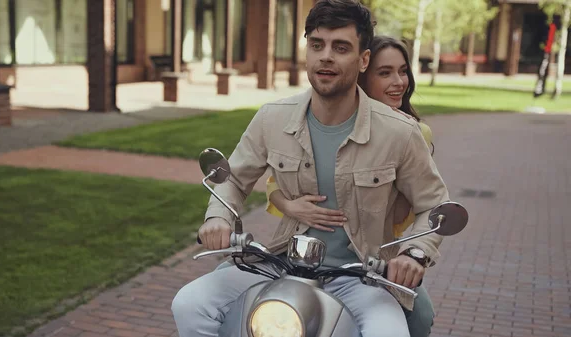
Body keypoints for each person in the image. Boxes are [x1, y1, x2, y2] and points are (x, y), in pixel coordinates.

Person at [171, 1, 450, 336]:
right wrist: (218, 217)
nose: (326, 56)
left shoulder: (400, 133)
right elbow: (232, 179)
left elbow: (435, 205)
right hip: (280, 263)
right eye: (317, 45)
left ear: (363, 60)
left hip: (362, 277)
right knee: (189, 303)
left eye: (341, 47)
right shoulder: (272, 117)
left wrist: (414, 255)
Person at [264, 35, 436, 337]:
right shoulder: (320, 121)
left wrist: (412, 255)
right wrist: (291, 205)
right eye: (385, 73)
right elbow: (272, 183)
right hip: (304, 252)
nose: (399, 82)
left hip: (374, 257)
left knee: (420, 315)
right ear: (361, 74)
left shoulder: (414, 134)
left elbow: (418, 209)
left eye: (403, 71)